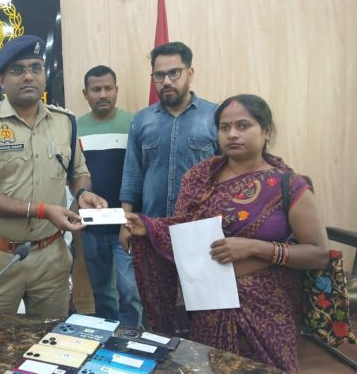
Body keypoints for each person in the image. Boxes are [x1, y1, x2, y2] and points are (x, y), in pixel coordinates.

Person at [124, 94, 329, 372]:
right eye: (224, 127)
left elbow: (318, 253)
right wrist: (148, 226)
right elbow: (185, 232)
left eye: (243, 126)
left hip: (268, 310)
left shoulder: (288, 186)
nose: (232, 134)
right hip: (209, 306)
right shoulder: (199, 178)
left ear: (266, 131)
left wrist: (254, 247)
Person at [0, 35, 107, 317]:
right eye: (18, 70)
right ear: (1, 79)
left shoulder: (65, 122)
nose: (28, 76)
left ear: (44, 75)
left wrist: (83, 193)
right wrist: (42, 210)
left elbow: (78, 172)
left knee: (50, 338)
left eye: (36, 68)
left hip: (51, 257)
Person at [119, 42, 218, 245]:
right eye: (159, 75)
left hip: (201, 230)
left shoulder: (214, 117)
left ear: (190, 73)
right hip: (150, 228)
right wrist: (124, 223)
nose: (166, 81)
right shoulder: (142, 120)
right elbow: (131, 176)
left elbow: (229, 173)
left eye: (174, 73)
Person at [77, 65, 142, 327]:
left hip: (126, 223)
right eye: (96, 89)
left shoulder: (134, 124)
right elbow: (71, 174)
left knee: (130, 290)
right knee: (102, 290)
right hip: (91, 225)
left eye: (108, 88)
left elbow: (140, 172)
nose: (102, 94)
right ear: (85, 93)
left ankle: (132, 336)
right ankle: (109, 337)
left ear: (116, 90)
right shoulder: (75, 128)